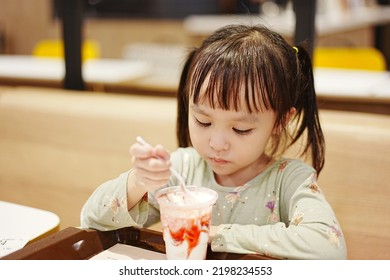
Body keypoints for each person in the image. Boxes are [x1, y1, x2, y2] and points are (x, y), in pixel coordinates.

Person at [80, 24, 347, 259]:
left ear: (280, 121)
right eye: (203, 121)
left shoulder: (289, 180)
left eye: (241, 129)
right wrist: (138, 182)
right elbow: (91, 219)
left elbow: (329, 249)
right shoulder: (182, 169)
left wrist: (216, 234)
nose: (217, 143)